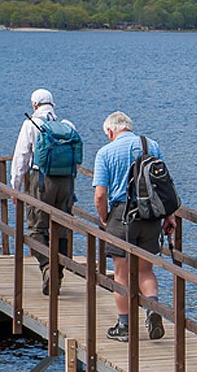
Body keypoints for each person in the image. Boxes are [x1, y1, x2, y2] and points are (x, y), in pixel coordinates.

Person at [91, 111, 172, 342]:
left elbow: (100, 195)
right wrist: (170, 216)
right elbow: (165, 184)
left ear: (110, 131)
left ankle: (124, 326)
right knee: (146, 269)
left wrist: (105, 218)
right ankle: (153, 308)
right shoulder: (151, 145)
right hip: (150, 216)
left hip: (121, 215)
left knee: (122, 273)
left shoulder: (105, 152)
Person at [9, 88, 76, 295]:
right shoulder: (67, 125)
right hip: (66, 182)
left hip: (41, 181)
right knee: (62, 228)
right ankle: (59, 272)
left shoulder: (31, 124)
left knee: (37, 228)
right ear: (52, 105)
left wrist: (15, 187)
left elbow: (21, 157)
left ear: (34, 105)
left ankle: (47, 266)